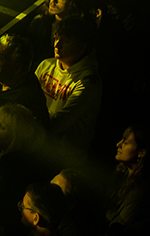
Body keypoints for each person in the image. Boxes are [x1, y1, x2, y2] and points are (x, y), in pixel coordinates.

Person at [34, 16, 102, 163]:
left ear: (82, 46)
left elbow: (58, 123)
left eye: (66, 40)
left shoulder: (88, 82)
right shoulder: (46, 65)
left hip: (65, 158)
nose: (57, 44)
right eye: (56, 38)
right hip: (39, 146)